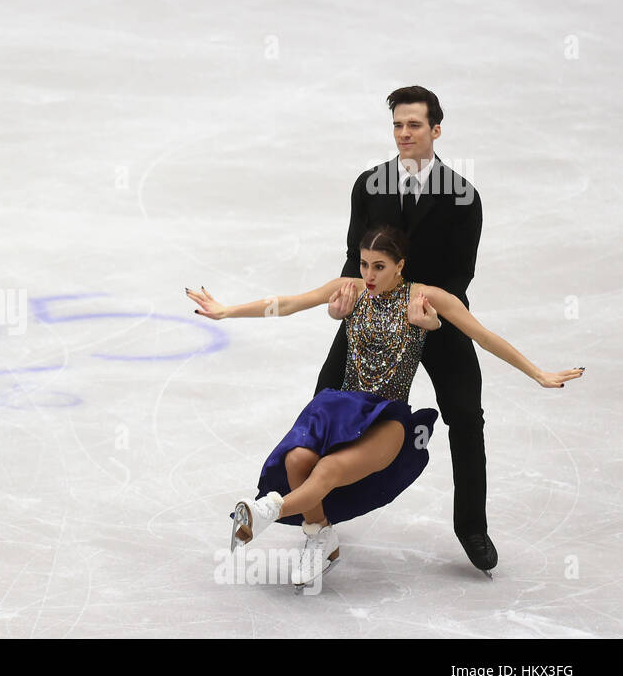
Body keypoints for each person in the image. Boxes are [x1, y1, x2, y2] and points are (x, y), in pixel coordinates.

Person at [185, 225, 583, 588]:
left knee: (326, 470)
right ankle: (319, 539)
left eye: (379, 266)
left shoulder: (426, 298)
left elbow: (483, 336)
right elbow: (287, 304)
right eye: (363, 264)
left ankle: (264, 512)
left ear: (400, 266)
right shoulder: (352, 290)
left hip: (386, 420)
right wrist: (226, 310)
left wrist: (537, 373)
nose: (369, 275)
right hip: (339, 409)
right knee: (295, 461)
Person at [316, 86, 500, 574]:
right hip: (376, 311)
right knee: (326, 395)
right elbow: (355, 257)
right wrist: (348, 301)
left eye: (414, 125)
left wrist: (432, 313)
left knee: (465, 412)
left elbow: (461, 273)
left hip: (434, 316)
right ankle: (319, 518)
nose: (404, 134)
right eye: (397, 125)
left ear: (436, 130)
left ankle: (472, 526)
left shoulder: (463, 198)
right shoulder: (369, 185)